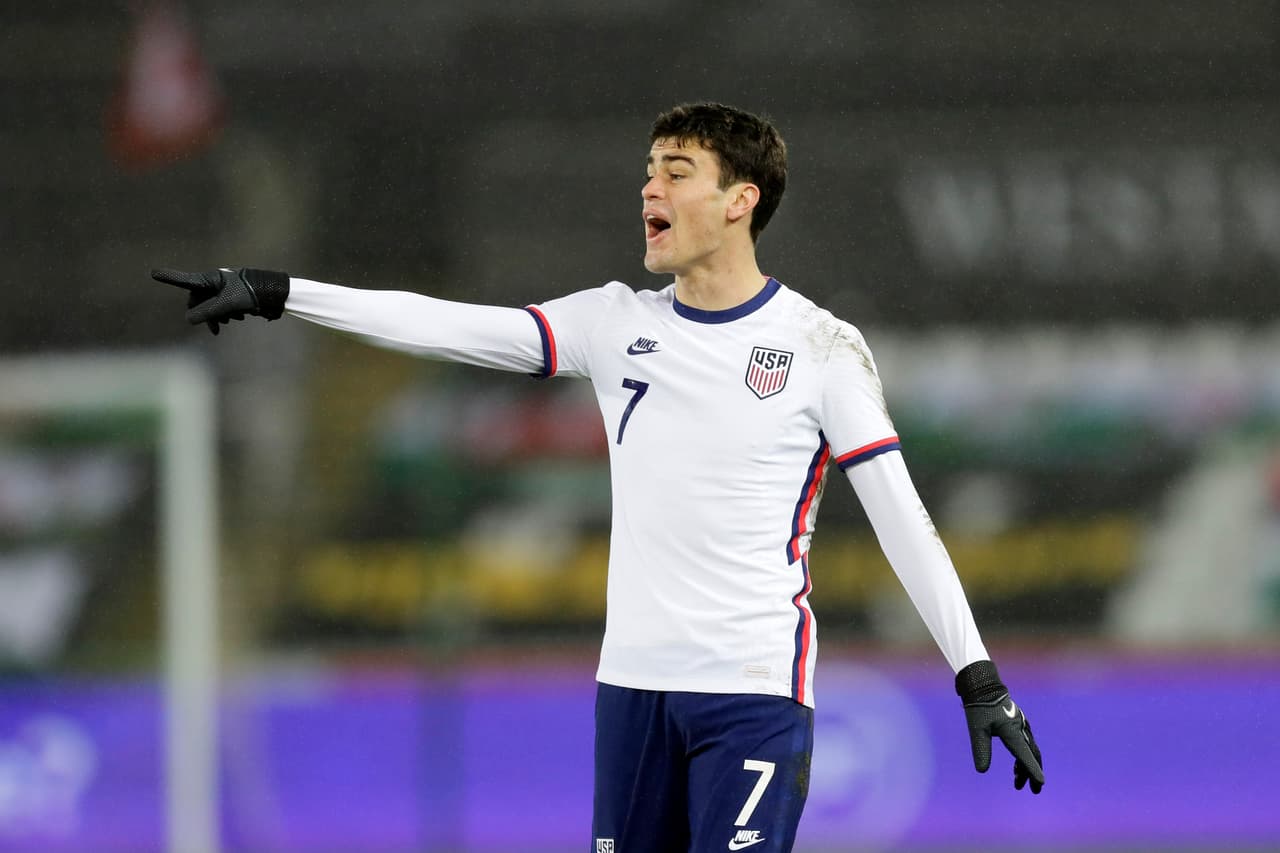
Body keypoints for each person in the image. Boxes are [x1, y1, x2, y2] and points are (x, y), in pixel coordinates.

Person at [153, 102, 1043, 852]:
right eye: (649, 171)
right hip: (631, 693)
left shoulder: (821, 349)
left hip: (752, 694)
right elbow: (444, 324)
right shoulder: (614, 324)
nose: (650, 188)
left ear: (741, 200)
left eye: (677, 172)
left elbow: (902, 517)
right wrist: (280, 291)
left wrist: (977, 675)